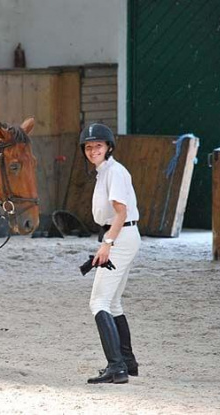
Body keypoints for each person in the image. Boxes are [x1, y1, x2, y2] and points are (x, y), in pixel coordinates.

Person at [79, 123, 141, 384]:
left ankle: (116, 367)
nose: (93, 150)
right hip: (123, 237)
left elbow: (121, 212)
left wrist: (107, 243)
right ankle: (128, 362)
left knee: (98, 303)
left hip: (120, 237)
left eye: (98, 146)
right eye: (89, 146)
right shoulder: (105, 172)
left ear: (108, 148)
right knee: (113, 303)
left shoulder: (114, 172)